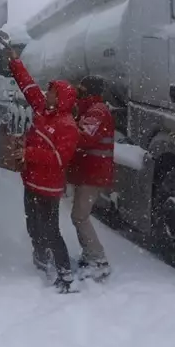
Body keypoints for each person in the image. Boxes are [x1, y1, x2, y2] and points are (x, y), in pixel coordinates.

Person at [0, 37, 79, 293]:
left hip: (48, 189)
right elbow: (28, 86)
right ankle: (41, 258)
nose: (47, 93)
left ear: (62, 97)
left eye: (53, 91)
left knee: (51, 231)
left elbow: (58, 158)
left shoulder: (67, 125)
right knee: (33, 225)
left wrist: (28, 151)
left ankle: (65, 274)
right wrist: (15, 61)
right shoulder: (43, 109)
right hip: (31, 182)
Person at [70, 75, 116, 281]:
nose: (77, 91)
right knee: (78, 215)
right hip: (89, 172)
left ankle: (98, 259)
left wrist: (64, 128)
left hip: (93, 173)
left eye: (81, 88)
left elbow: (83, 136)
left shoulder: (97, 112)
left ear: (89, 90)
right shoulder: (89, 109)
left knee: (80, 216)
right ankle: (90, 255)